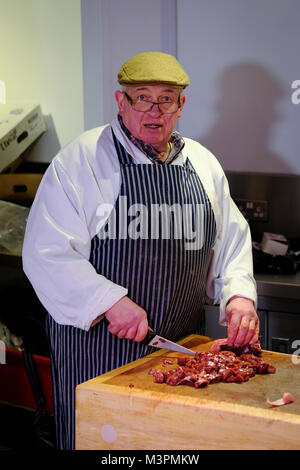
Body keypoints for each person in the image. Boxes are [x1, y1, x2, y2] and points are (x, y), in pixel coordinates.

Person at [22, 51, 259, 450]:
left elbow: (231, 241)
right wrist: (108, 301)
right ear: (121, 101)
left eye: (166, 98)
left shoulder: (203, 164)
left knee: (174, 445)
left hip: (180, 353)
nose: (154, 110)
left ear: (181, 105)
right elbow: (46, 253)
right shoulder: (82, 160)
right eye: (141, 97)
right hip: (97, 356)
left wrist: (238, 296)